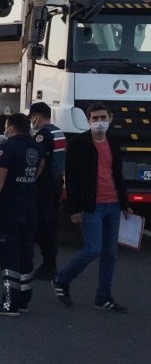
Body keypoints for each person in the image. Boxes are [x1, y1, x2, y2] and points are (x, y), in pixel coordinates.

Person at [53, 103, 133, 312]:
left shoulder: (113, 142)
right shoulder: (79, 143)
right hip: (92, 206)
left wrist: (125, 204)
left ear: (111, 118)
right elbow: (71, 179)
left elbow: (117, 174)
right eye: (95, 118)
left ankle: (103, 297)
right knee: (92, 249)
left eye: (103, 117)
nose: (99, 122)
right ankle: (62, 279)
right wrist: (74, 209)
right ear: (88, 120)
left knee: (110, 253)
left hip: (113, 203)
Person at [0, 114, 43, 317]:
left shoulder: (7, 147)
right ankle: (24, 299)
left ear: (11, 128)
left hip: (8, 208)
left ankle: (9, 303)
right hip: (29, 206)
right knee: (26, 254)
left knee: (8, 255)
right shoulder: (36, 146)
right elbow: (38, 170)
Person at [28, 102, 67, 280]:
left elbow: (38, 161)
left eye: (32, 118)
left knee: (43, 225)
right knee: (51, 223)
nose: (31, 121)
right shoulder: (58, 131)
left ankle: (48, 264)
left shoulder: (42, 135)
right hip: (56, 183)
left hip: (44, 186)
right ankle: (50, 262)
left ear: (36, 116)